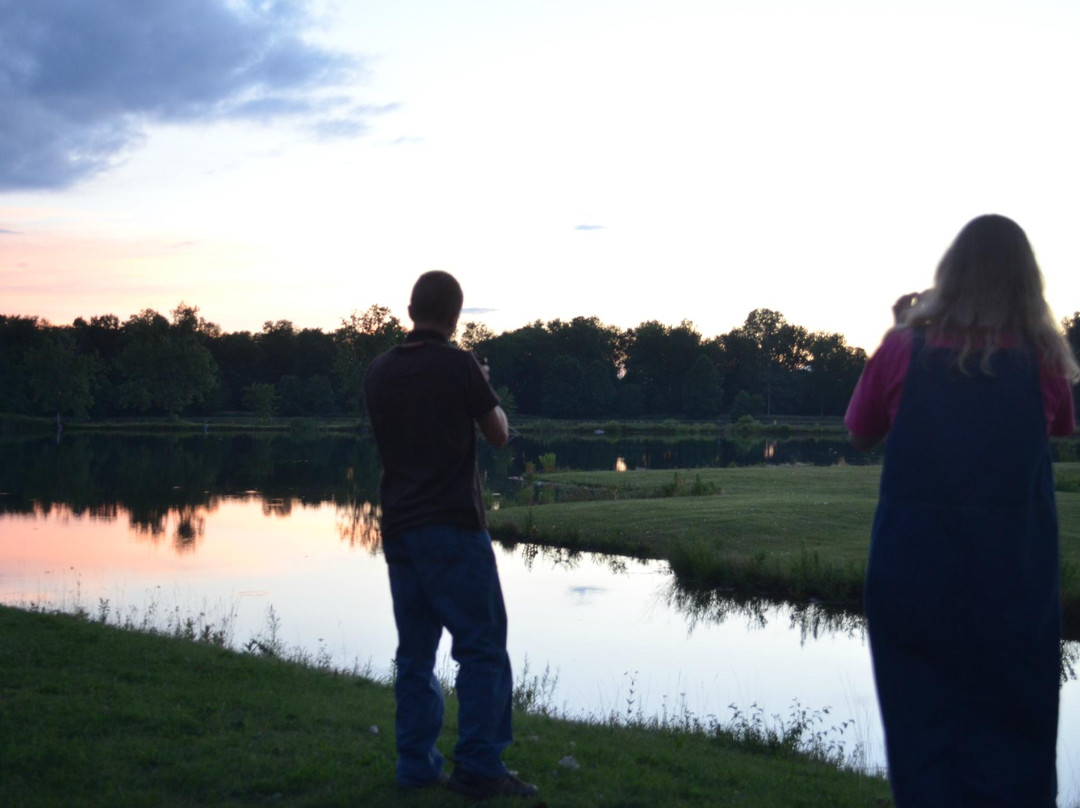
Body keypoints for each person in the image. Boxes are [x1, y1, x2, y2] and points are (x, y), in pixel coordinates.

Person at [845, 214, 1078, 807]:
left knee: (922, 741)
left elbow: (860, 432)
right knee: (1017, 736)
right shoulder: (1045, 359)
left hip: (912, 573)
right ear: (1028, 282)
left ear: (949, 274)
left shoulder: (903, 348)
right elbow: (1052, 431)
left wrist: (901, 328)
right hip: (1013, 580)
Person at [363, 270, 538, 799]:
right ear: (455, 316)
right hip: (454, 529)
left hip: (398, 529)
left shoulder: (379, 371)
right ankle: (480, 768)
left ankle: (415, 767)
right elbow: (499, 434)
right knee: (481, 648)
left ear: (412, 309)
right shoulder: (461, 367)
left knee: (415, 654)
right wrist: (482, 384)